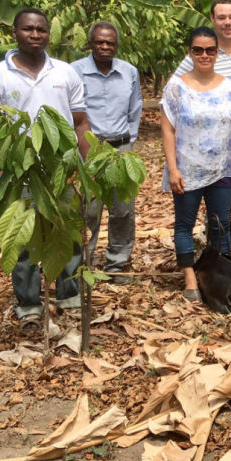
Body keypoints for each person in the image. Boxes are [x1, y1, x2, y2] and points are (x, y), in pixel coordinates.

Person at [0, 8, 90, 332]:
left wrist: (86, 166)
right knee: (23, 236)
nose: (35, 34)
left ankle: (68, 297)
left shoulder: (65, 73)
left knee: (66, 231)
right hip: (19, 169)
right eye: (28, 29)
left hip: (62, 167)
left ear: (47, 34)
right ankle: (28, 305)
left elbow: (80, 122)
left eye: (41, 29)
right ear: (15, 32)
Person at [160, 27, 231, 303]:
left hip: (221, 170)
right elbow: (168, 130)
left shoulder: (230, 87)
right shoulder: (176, 88)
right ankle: (190, 278)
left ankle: (220, 277)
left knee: (221, 225)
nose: (204, 55)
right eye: (198, 50)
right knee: (185, 224)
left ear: (217, 53)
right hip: (187, 170)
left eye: (210, 50)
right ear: (190, 52)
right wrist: (173, 168)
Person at [72, 21, 142, 285]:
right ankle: (83, 266)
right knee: (88, 210)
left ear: (117, 45)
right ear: (90, 43)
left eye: (110, 43)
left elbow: (135, 108)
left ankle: (117, 264)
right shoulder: (74, 71)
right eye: (99, 42)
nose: (105, 46)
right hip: (87, 148)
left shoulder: (129, 72)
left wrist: (129, 141)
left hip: (121, 149)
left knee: (123, 209)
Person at [171, 0, 231, 90]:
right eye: (221, 18)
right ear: (212, 18)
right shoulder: (200, 55)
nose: (228, 22)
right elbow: (170, 93)